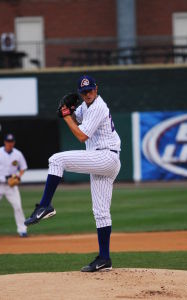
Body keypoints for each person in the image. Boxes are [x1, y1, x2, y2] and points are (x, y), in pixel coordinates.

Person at [25, 75, 121, 272]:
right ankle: (105, 259)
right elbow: (72, 116)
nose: (88, 94)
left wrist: (67, 115)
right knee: (101, 213)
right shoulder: (86, 107)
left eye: (91, 90)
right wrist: (65, 111)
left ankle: (45, 206)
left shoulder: (98, 107)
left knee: (56, 160)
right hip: (103, 159)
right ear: (81, 93)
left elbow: (81, 135)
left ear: (97, 89)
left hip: (106, 156)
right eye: (84, 91)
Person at [0, 134, 28, 237]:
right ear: (5, 142)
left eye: (11, 142)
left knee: (18, 207)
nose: (10, 143)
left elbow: (23, 167)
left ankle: (22, 230)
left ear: (14, 142)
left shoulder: (18, 154)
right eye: (8, 142)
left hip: (11, 186)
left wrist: (18, 177)